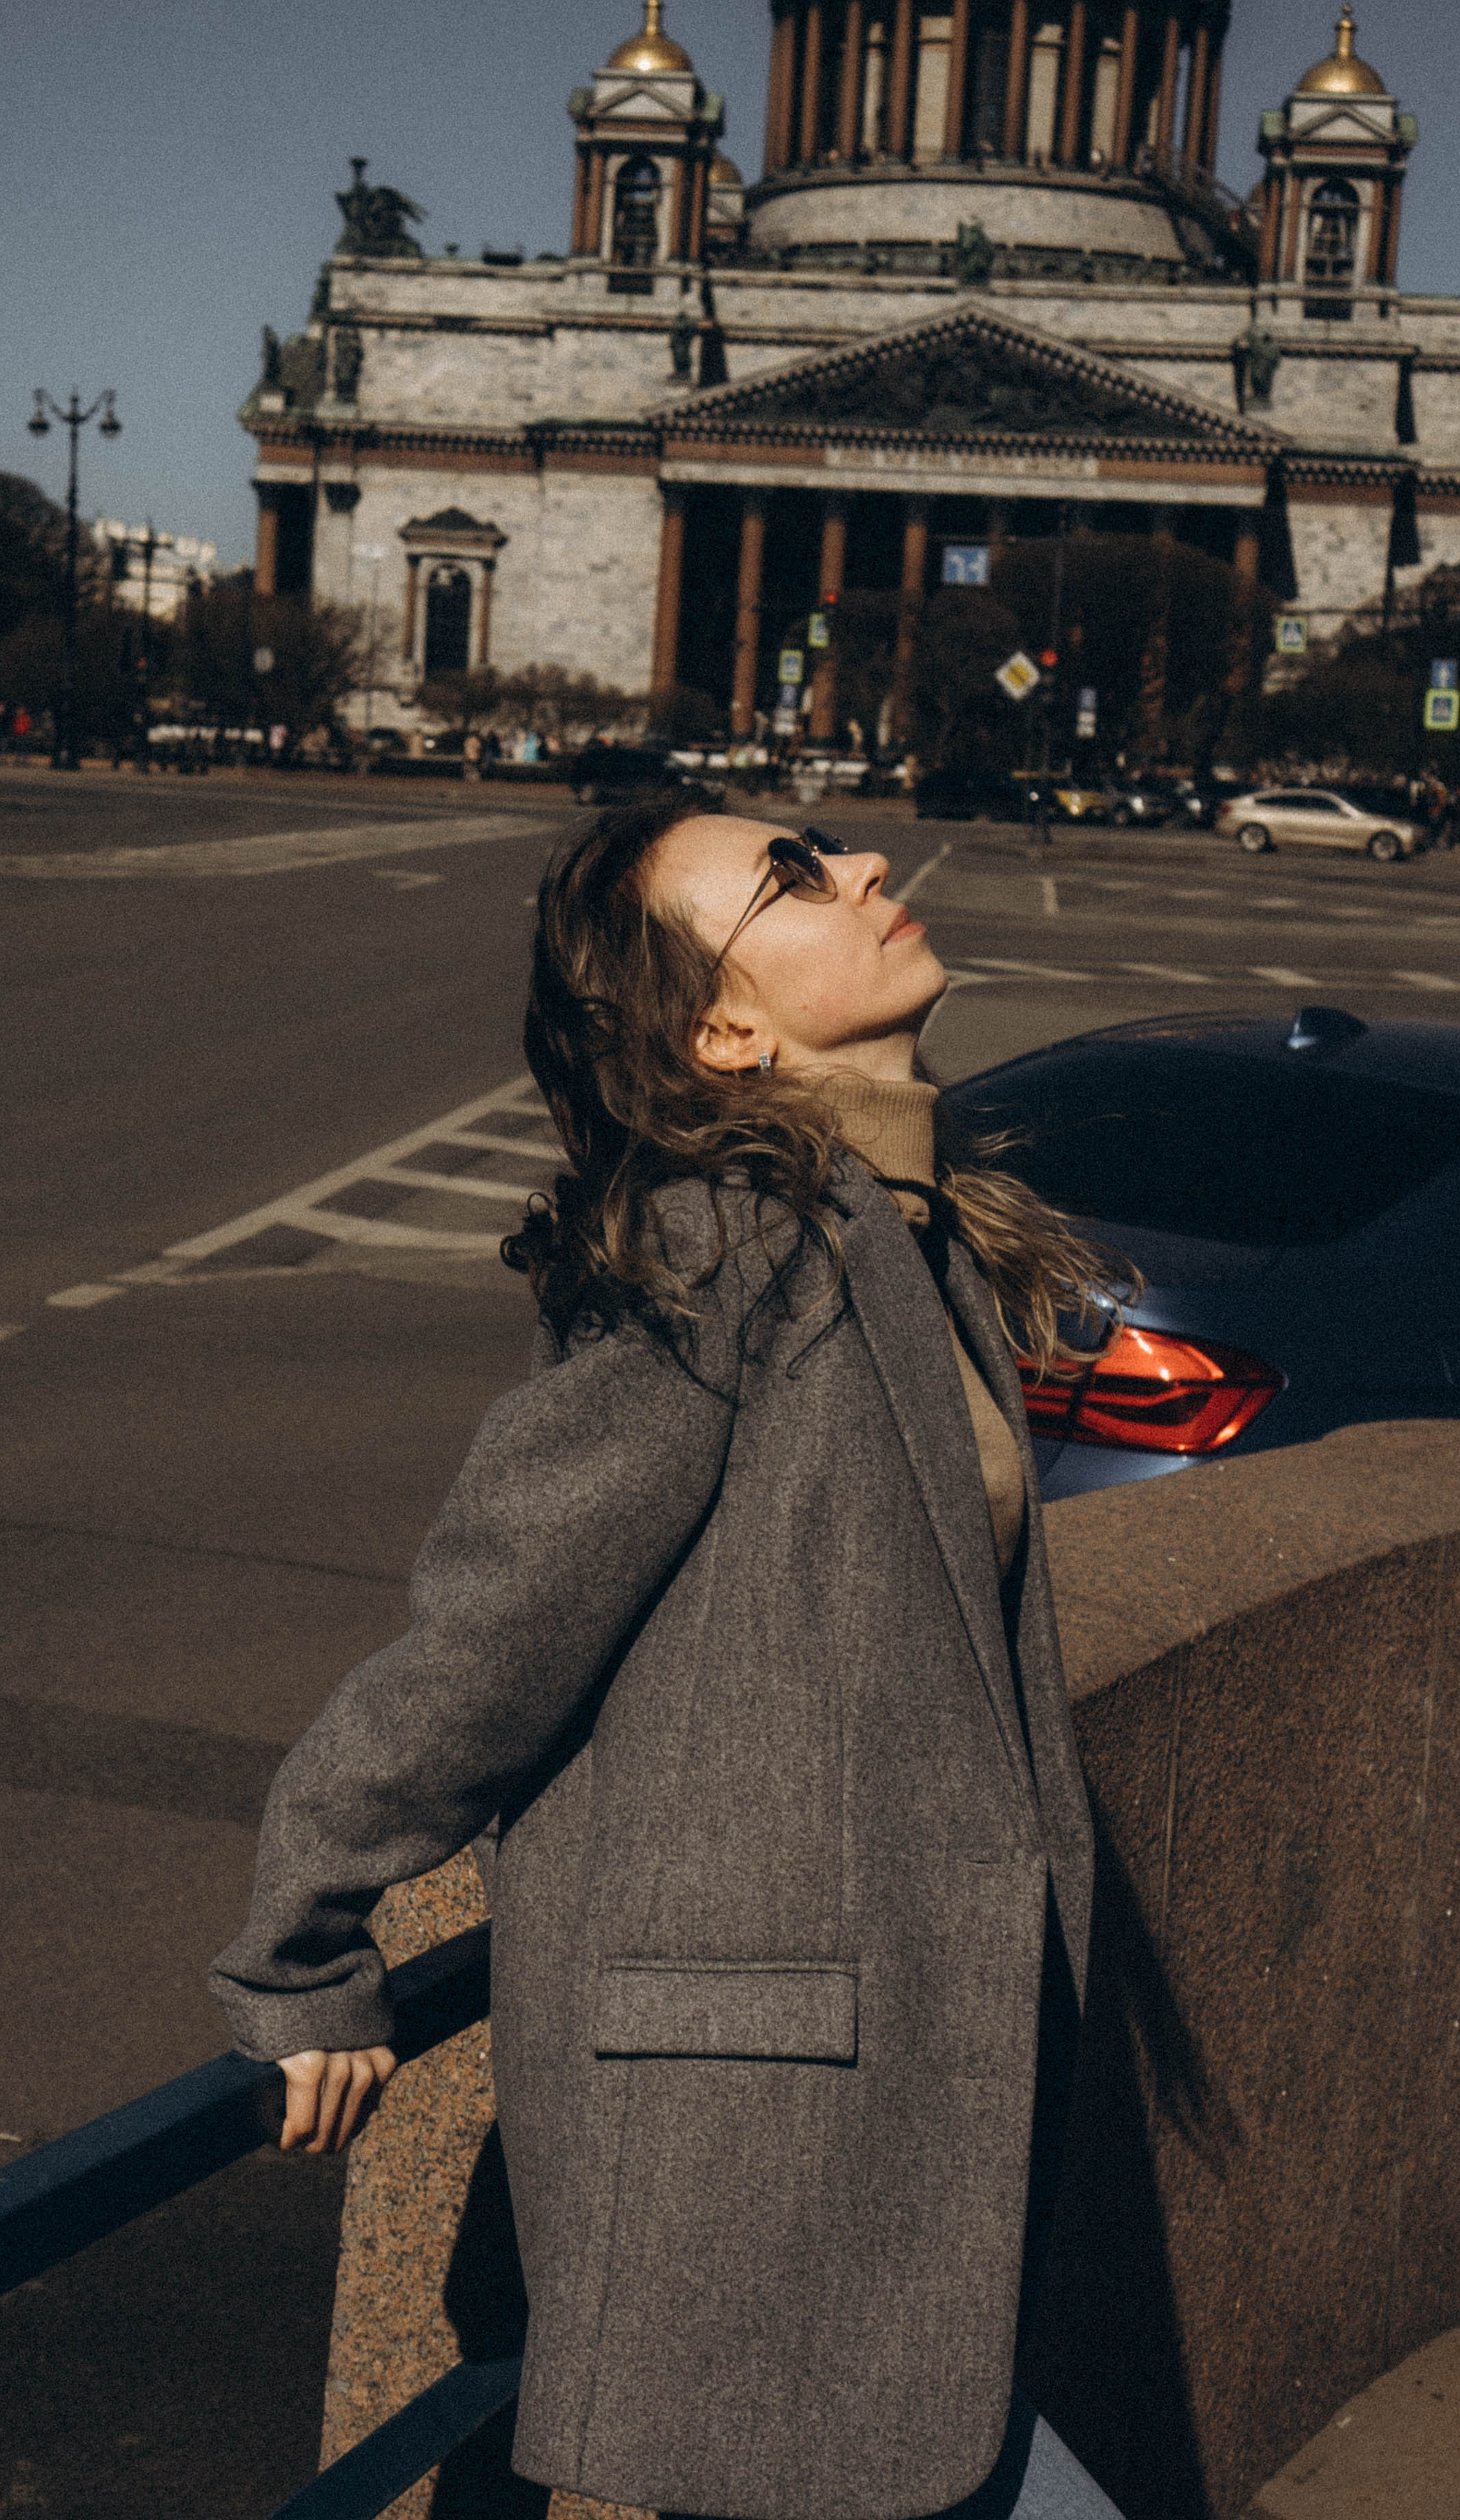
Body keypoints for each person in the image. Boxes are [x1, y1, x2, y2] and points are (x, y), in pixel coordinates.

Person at [212, 798, 1134, 2520]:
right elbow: (487, 1631)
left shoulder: (895, 1231)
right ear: (721, 1029)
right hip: (759, 2128)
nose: (863, 868)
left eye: (828, 845)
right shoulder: (726, 1253)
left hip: (876, 2099)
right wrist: (300, 1942)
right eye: (791, 876)